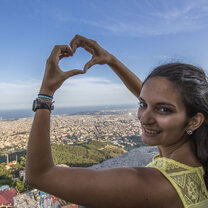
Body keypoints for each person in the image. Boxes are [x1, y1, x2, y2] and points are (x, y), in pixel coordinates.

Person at [25, 35, 208, 208]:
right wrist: (111, 60)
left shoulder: (150, 184)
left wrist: (46, 93)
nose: (143, 118)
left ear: (194, 121)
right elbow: (160, 98)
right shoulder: (198, 149)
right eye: (142, 104)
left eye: (164, 110)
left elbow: (39, 175)